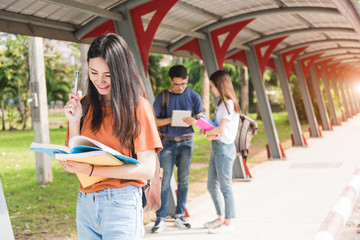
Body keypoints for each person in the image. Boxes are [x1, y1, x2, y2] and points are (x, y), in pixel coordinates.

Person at [62, 33, 162, 240]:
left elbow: (146, 169)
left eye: (108, 74)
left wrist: (92, 169)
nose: (100, 80)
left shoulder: (138, 106)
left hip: (121, 203)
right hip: (86, 203)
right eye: (93, 72)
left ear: (121, 71)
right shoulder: (85, 105)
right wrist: (74, 120)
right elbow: (75, 157)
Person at [151, 65, 203, 233]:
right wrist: (171, 119)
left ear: (186, 79)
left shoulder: (194, 97)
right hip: (168, 143)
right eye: (177, 84)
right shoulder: (163, 97)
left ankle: (180, 215)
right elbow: (154, 121)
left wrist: (195, 122)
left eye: (183, 84)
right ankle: (161, 218)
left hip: (187, 142)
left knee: (184, 181)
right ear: (171, 81)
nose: (180, 88)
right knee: (164, 182)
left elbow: (201, 120)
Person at [203, 70, 241, 234]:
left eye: (213, 86)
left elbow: (220, 129)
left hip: (225, 149)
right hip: (217, 147)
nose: (212, 89)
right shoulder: (221, 103)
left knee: (225, 186)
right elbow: (215, 128)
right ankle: (220, 217)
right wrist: (207, 129)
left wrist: (208, 133)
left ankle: (228, 223)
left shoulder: (229, 104)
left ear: (220, 85)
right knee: (212, 185)